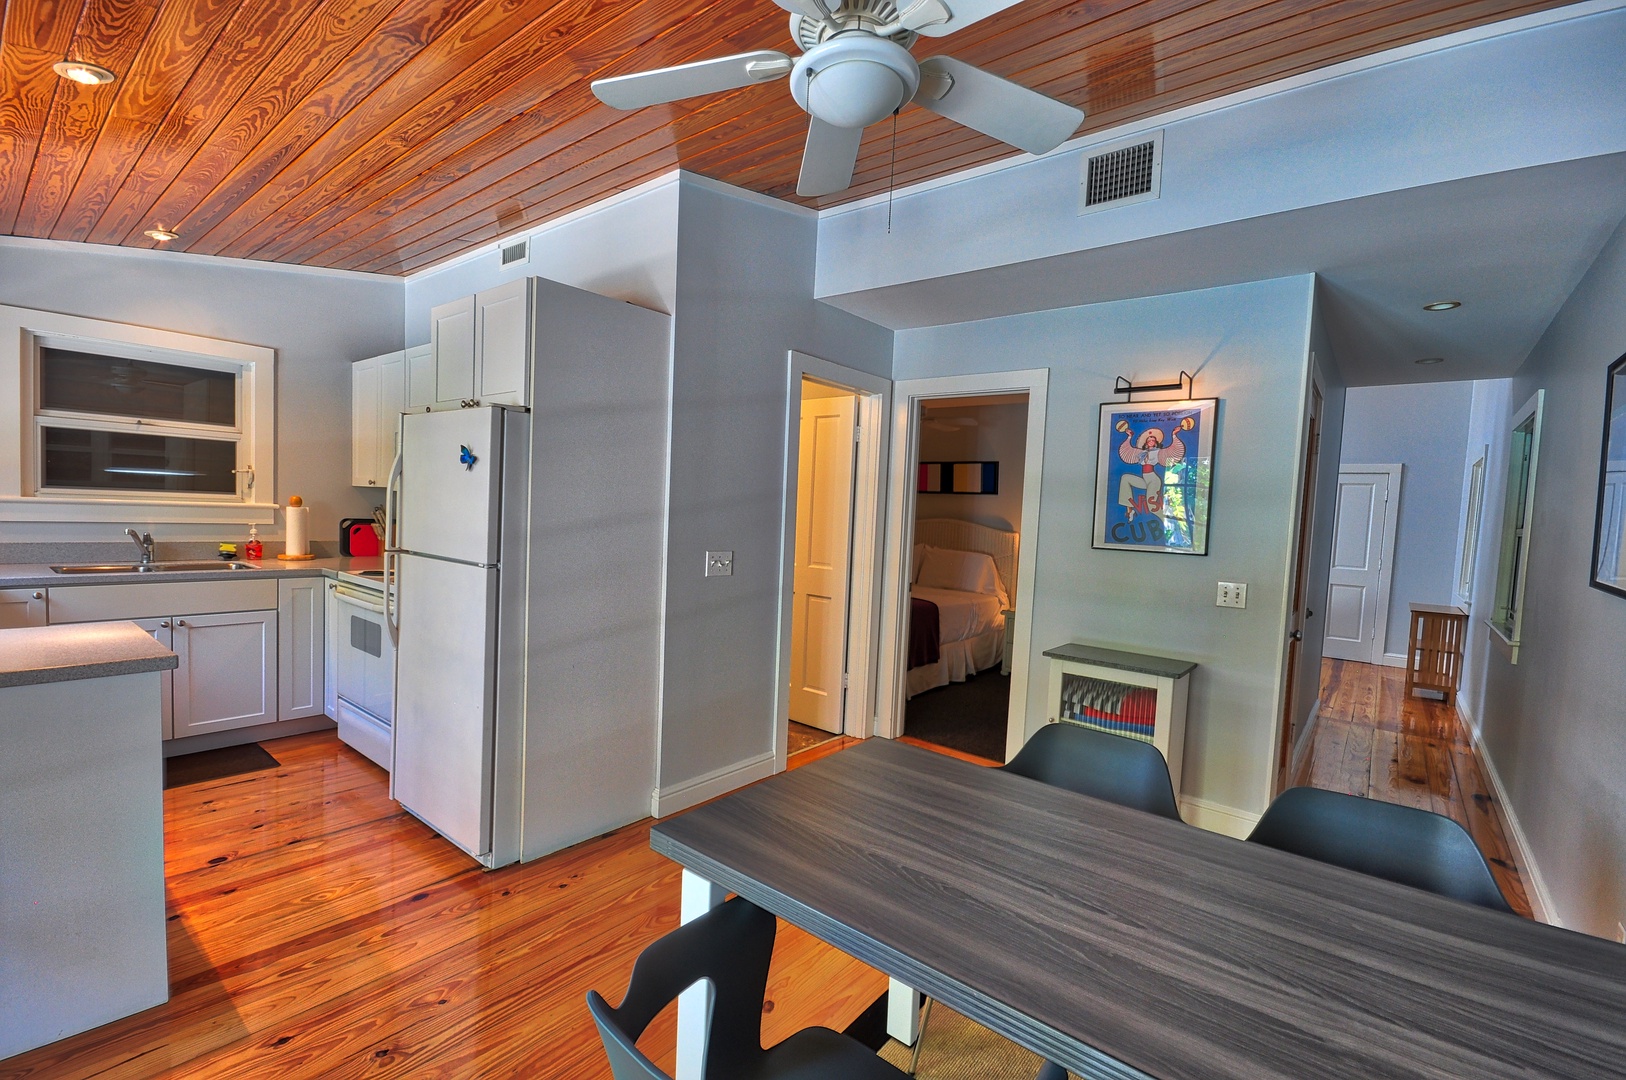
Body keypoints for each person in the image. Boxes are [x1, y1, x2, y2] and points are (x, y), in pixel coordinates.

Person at [1116, 415, 1193, 520]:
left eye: (1153, 439)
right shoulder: (1141, 453)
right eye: (1149, 439)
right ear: (1146, 442)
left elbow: (1174, 451)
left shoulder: (1159, 452)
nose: (1151, 440)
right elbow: (1127, 452)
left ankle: (1167, 519)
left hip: (1153, 479)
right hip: (1144, 479)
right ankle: (1130, 510)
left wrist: (1174, 435)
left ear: (1156, 442)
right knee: (1125, 478)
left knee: (1151, 506)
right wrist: (1129, 436)